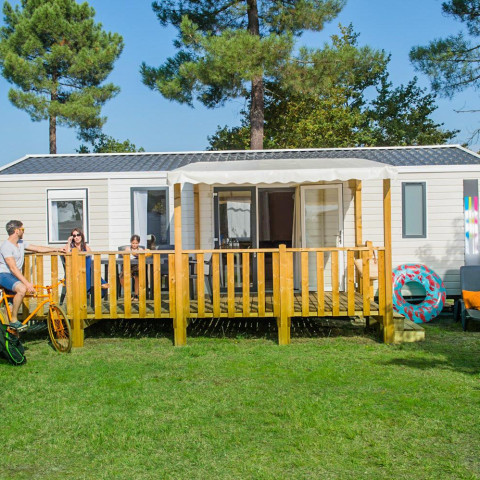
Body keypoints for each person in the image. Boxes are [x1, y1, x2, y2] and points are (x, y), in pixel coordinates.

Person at [0, 220, 66, 331]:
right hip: (3, 275)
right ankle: (14, 321)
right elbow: (13, 268)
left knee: (9, 309)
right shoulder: (6, 246)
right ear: (17, 231)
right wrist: (27, 284)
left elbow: (38, 248)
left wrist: (57, 249)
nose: (24, 231)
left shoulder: (21, 243)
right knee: (22, 289)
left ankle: (8, 335)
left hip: (12, 277)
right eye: (23, 229)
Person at [65, 227, 109, 293]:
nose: (76, 237)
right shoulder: (70, 246)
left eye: (78, 235)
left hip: (85, 268)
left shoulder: (84, 246)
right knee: (88, 263)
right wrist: (69, 242)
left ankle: (95, 284)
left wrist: (82, 256)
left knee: (88, 260)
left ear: (81, 236)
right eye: (74, 236)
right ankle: (100, 282)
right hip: (74, 268)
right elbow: (67, 255)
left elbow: (90, 253)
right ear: (72, 237)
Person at [119, 234, 146, 300]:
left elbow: (144, 256)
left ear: (138, 243)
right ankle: (128, 293)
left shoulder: (140, 249)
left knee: (137, 277)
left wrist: (139, 254)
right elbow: (123, 254)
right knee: (121, 278)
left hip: (136, 265)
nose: (134, 245)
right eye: (133, 243)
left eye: (136, 243)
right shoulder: (127, 249)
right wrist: (128, 253)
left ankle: (136, 294)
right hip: (127, 265)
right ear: (131, 242)